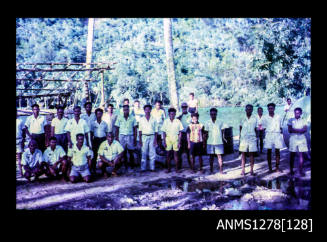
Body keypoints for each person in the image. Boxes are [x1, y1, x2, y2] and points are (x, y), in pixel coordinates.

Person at [204, 108, 229, 174]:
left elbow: (223, 130)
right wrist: (204, 142)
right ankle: (211, 170)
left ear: (216, 114)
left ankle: (221, 170)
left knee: (219, 156)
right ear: (210, 114)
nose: (213, 115)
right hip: (210, 142)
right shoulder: (207, 122)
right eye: (211, 114)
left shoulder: (220, 121)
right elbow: (206, 133)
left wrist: (223, 137)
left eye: (214, 114)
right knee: (211, 157)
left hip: (219, 141)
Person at [115, 104, 138, 171]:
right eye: (124, 110)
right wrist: (116, 137)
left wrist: (135, 138)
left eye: (127, 110)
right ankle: (125, 166)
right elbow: (117, 128)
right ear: (123, 110)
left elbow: (135, 128)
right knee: (123, 152)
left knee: (131, 152)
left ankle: (132, 166)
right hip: (122, 136)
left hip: (130, 136)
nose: (126, 111)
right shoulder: (119, 117)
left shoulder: (132, 118)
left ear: (129, 110)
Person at [263, 103, 285, 173]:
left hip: (277, 134)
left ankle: (277, 167)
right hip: (268, 134)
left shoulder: (278, 116)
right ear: (267, 109)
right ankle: (270, 168)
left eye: (272, 108)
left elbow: (281, 127)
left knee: (277, 151)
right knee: (268, 152)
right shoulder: (265, 117)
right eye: (269, 108)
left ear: (274, 109)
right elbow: (262, 127)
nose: (270, 110)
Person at [161, 108, 184, 173]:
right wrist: (164, 141)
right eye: (171, 114)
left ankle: (177, 169)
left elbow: (180, 132)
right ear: (168, 114)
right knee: (168, 154)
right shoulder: (166, 121)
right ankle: (169, 169)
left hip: (175, 138)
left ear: (175, 114)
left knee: (176, 154)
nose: (172, 115)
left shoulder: (178, 121)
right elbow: (164, 132)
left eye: (173, 114)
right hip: (168, 139)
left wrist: (179, 142)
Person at [287, 107, 308, 176]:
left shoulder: (304, 120)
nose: (296, 114)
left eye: (298, 113)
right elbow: (290, 130)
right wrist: (300, 130)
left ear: (301, 113)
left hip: (301, 138)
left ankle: (300, 171)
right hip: (293, 138)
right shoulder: (290, 120)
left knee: (301, 155)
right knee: (292, 155)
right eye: (295, 113)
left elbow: (305, 129)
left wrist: (295, 130)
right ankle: (291, 170)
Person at [239, 104, 258, 176]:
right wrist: (240, 137)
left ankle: (251, 170)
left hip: (252, 138)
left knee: (251, 154)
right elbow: (240, 128)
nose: (249, 110)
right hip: (244, 138)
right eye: (247, 109)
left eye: (250, 109)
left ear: (252, 110)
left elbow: (256, 129)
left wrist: (256, 138)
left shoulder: (255, 118)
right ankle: (243, 170)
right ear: (245, 110)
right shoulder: (242, 117)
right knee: (243, 154)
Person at [138, 104, 158, 172]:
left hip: (152, 136)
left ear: (150, 110)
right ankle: (143, 168)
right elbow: (140, 130)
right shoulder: (141, 119)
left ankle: (152, 168)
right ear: (144, 110)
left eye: (148, 109)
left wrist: (155, 140)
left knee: (152, 153)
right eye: (146, 109)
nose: (147, 111)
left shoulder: (154, 119)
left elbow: (156, 131)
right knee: (144, 152)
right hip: (144, 136)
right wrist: (140, 140)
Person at [90, 108, 109, 175]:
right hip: (96, 140)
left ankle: (104, 170)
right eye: (97, 114)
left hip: (103, 140)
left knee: (103, 154)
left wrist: (107, 142)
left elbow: (107, 133)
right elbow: (91, 133)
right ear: (95, 114)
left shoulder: (105, 123)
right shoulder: (93, 123)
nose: (99, 115)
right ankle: (93, 169)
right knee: (94, 155)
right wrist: (91, 141)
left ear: (102, 114)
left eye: (100, 113)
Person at [177, 102, 192, 170]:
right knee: (179, 151)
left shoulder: (190, 115)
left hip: (188, 134)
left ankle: (191, 165)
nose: (184, 108)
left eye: (185, 107)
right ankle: (179, 167)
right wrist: (181, 115)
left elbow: (192, 123)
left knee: (189, 151)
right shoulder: (179, 114)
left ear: (187, 107)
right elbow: (176, 121)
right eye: (183, 107)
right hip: (181, 134)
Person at [16, 111, 26, 176]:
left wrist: (23, 140)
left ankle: (21, 173)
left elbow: (24, 131)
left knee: (20, 158)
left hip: (19, 140)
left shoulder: (20, 120)